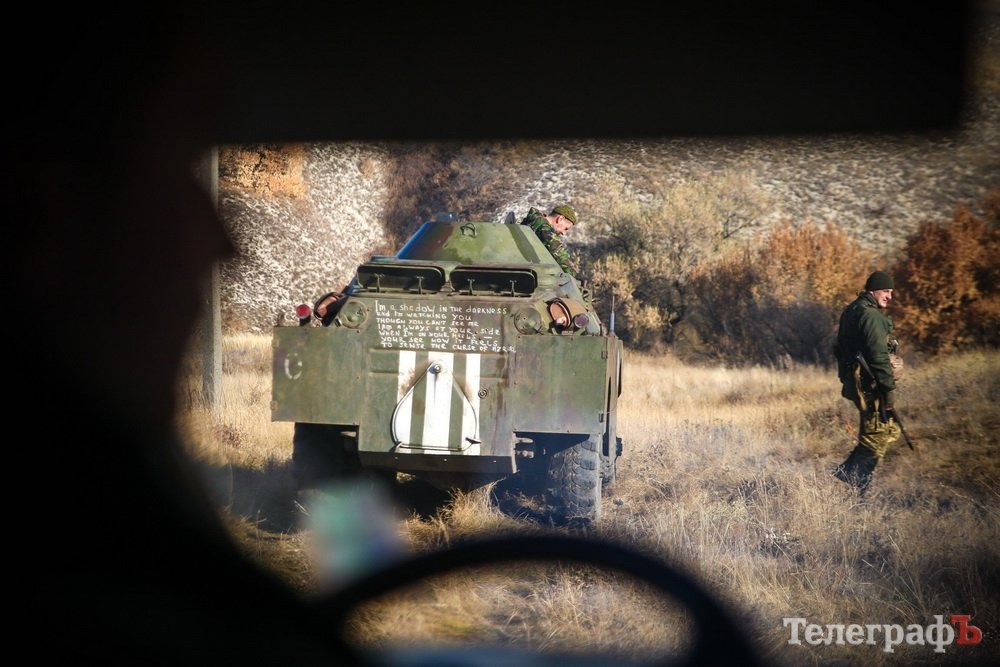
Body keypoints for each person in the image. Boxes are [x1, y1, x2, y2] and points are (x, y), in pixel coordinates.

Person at [832, 270, 903, 494]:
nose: (889, 296)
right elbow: (879, 358)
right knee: (882, 432)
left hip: (856, 382)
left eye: (891, 291)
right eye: (885, 291)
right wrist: (888, 395)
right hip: (870, 385)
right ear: (873, 291)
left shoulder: (852, 309)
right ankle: (853, 477)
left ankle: (855, 482)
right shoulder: (870, 316)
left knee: (875, 431)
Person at [520, 204, 580, 276]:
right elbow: (559, 254)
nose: (563, 233)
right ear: (560, 219)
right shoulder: (543, 229)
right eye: (565, 228)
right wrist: (574, 275)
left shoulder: (534, 221)